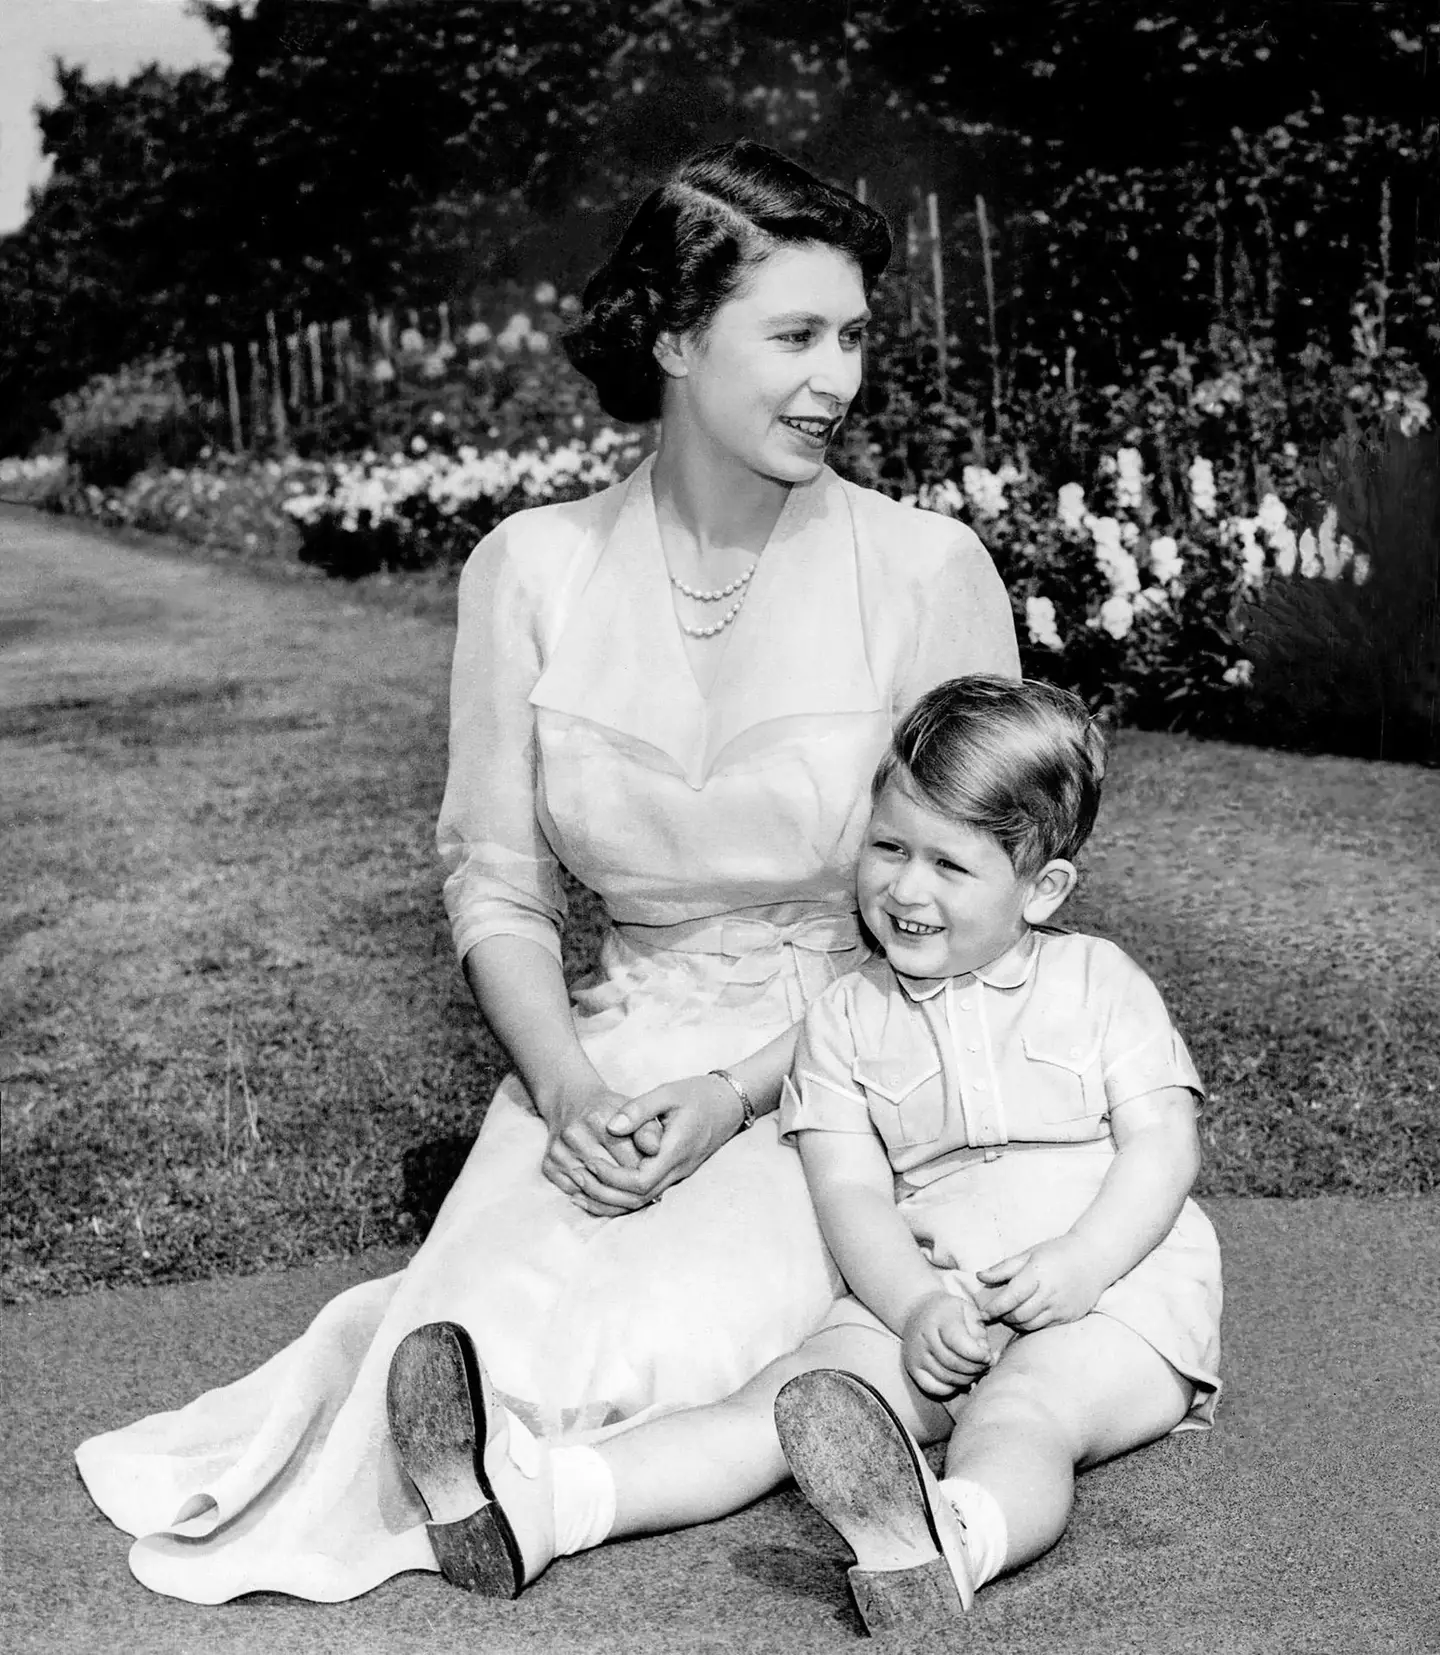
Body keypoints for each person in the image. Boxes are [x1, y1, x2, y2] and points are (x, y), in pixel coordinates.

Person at [74, 141, 1020, 1603]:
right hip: (613, 1048)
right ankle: (459, 1405)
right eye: (794, 336)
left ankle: (546, 1487)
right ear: (669, 337)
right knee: (477, 1328)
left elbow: (959, 916)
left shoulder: (924, 568)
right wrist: (569, 1088)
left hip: (847, 1053)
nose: (836, 376)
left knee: (638, 1343)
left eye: (853, 336)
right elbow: (497, 879)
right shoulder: (529, 570)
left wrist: (735, 1095)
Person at [386, 676, 1222, 1635]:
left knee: (1025, 1411)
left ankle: (956, 1532)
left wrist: (1083, 1264)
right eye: (888, 847)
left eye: (950, 865)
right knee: (784, 1402)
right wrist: (910, 1307)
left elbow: (1163, 1144)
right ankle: (545, 1502)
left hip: (1120, 1303)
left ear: (1042, 888)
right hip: (930, 1293)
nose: (906, 887)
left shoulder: (1100, 982)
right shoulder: (842, 1023)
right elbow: (852, 1190)